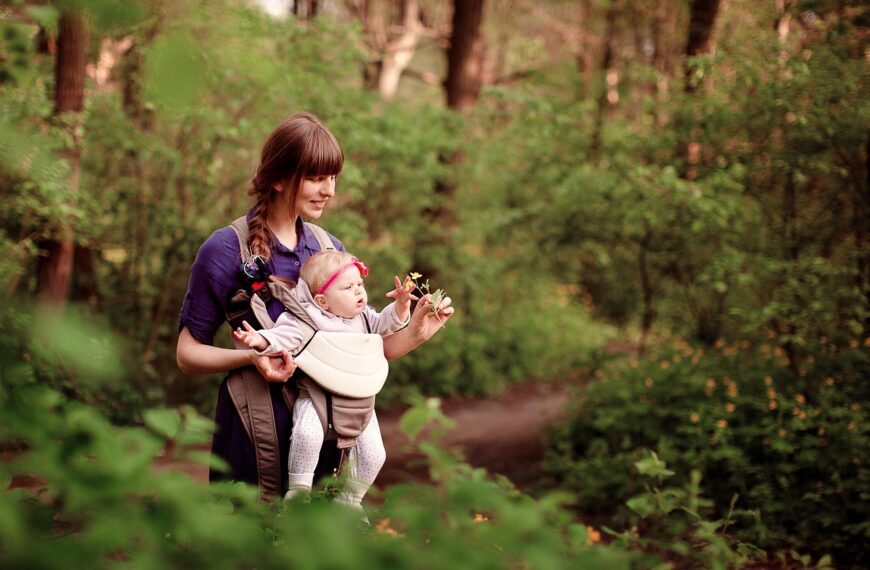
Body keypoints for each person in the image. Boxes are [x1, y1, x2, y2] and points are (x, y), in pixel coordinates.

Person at [176, 112, 454, 497]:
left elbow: (361, 347)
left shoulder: (329, 248)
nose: (330, 190)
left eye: (333, 178)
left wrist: (418, 331)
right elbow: (187, 354)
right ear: (277, 178)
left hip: (326, 423)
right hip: (252, 423)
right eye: (316, 178)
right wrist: (251, 358)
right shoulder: (225, 249)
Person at [232, 250, 415, 510]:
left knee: (375, 455)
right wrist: (260, 340)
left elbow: (387, 324)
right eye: (348, 287)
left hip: (360, 398)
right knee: (307, 436)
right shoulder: (306, 317)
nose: (359, 292)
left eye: (360, 284)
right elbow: (283, 336)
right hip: (318, 395)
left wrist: (402, 305)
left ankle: (350, 502)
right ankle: (298, 494)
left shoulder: (363, 318)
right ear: (323, 300)